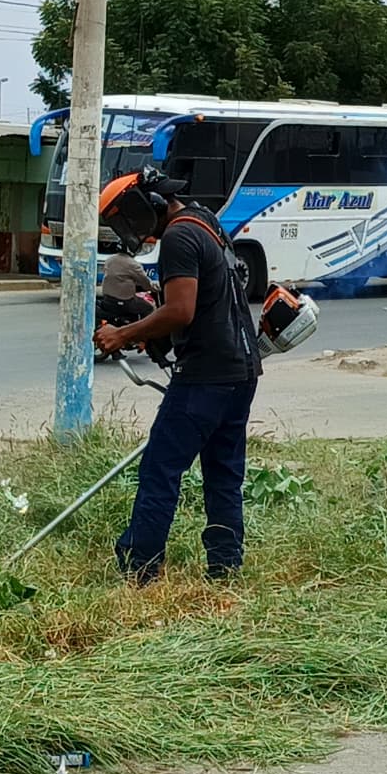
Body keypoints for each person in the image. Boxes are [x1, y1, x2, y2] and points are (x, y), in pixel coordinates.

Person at [93, 168, 262, 583]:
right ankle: (225, 567)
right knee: (223, 473)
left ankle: (140, 568)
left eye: (125, 219)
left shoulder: (179, 236)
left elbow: (181, 310)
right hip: (240, 370)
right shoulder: (205, 221)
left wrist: (123, 334)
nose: (131, 231)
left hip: (205, 376)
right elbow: (207, 304)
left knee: (160, 469)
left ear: (146, 205)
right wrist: (155, 336)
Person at [100, 251, 156, 321]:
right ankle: (144, 328)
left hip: (108, 300)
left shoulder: (109, 260)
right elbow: (146, 284)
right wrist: (155, 287)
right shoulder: (133, 264)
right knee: (149, 308)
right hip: (125, 302)